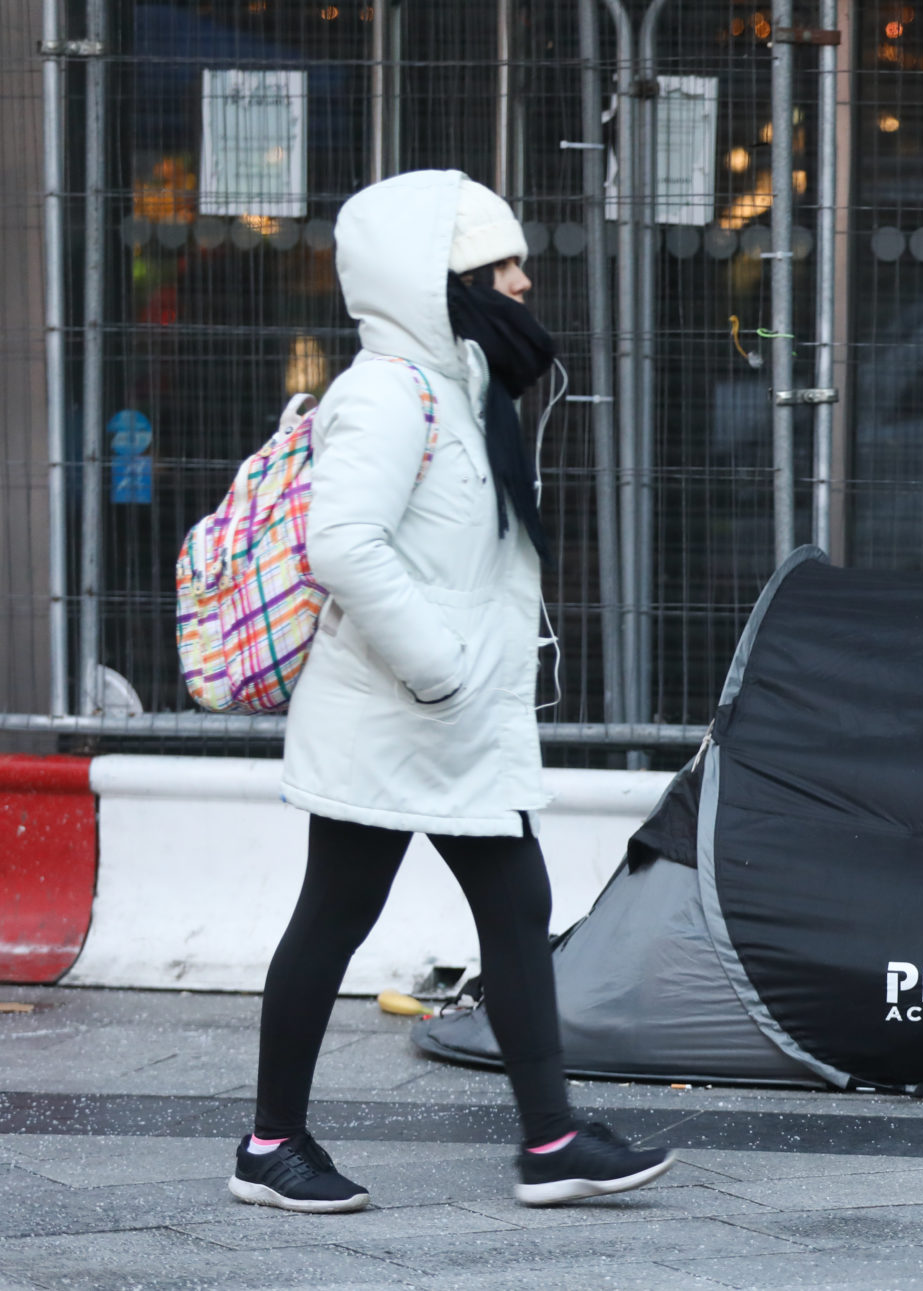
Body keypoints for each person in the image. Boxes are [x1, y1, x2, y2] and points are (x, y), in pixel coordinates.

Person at [228, 170, 674, 1213]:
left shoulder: (464, 384)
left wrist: (464, 680)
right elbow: (341, 542)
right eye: (497, 267)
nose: (523, 281)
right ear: (434, 283)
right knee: (335, 917)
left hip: (454, 720)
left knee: (515, 907)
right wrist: (439, 665)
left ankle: (552, 1138)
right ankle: (269, 1143)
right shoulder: (386, 392)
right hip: (398, 714)